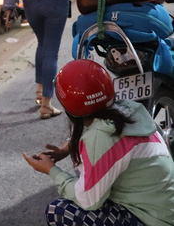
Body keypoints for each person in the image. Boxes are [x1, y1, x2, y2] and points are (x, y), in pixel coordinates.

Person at [24, 59, 174, 226]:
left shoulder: (102, 136)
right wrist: (67, 148)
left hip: (152, 219)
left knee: (59, 211)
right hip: (163, 210)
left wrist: (51, 170)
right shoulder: (126, 109)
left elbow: (88, 200)